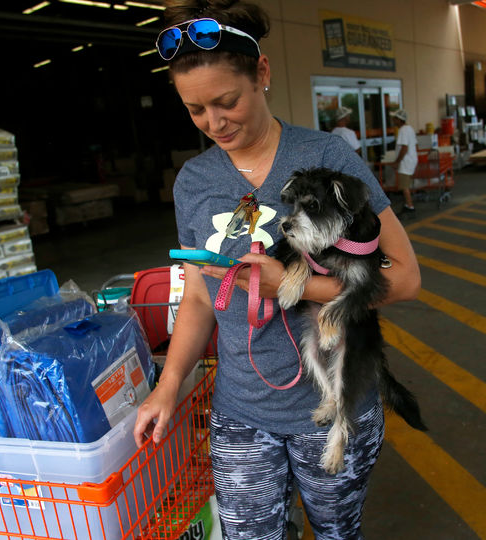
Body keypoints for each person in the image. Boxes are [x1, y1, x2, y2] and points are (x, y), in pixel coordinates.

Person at [134, 1, 421, 538]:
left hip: (331, 403)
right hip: (241, 407)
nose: (215, 123)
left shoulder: (327, 158)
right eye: (196, 110)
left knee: (336, 531)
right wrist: (168, 386)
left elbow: (404, 276)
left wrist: (295, 284)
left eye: (227, 102)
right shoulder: (193, 182)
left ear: (261, 74)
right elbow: (198, 296)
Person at [388, 109, 418, 218]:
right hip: (411, 160)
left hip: (406, 162)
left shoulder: (403, 130)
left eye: (395, 119)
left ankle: (410, 206)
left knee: (404, 186)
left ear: (399, 120)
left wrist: (397, 162)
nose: (393, 120)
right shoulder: (409, 128)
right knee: (406, 185)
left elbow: (404, 148)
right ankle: (407, 204)